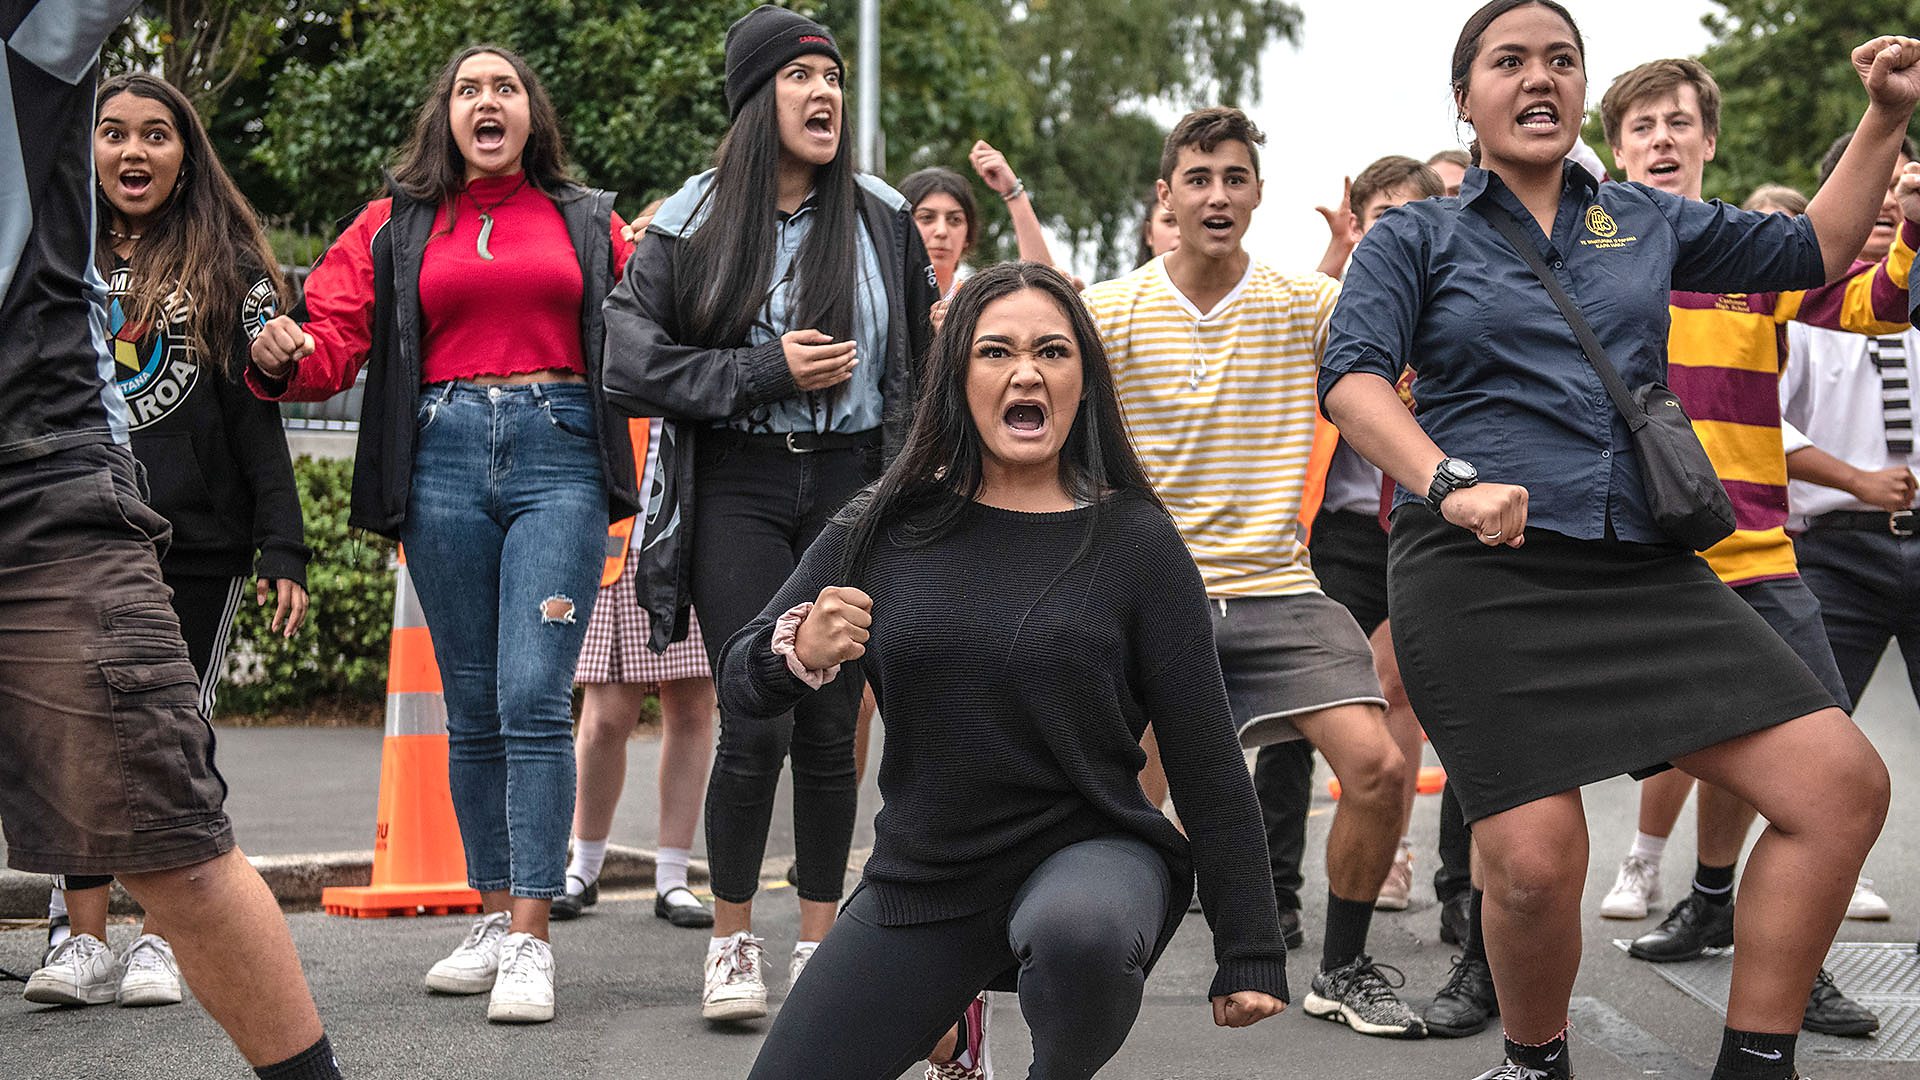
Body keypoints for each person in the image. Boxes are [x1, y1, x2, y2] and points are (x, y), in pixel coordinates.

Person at [1321, 1, 1917, 1075]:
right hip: (1478, 571)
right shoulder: (1417, 233)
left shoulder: (1646, 218)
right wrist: (1446, 480)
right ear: (1466, 97)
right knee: (1539, 863)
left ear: (1583, 92)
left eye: (1561, 60)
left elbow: (1820, 248)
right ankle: (1535, 1059)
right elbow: (1354, 379)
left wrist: (1882, 118)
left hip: (1643, 566)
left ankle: (1756, 1059)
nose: (1538, 78)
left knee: (1841, 788)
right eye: (1509, 61)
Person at [721, 261, 1286, 1078]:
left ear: (1084, 381)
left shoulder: (1136, 542)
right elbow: (741, 679)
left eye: (1053, 351)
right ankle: (949, 1023)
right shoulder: (884, 524)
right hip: (928, 873)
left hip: (1092, 857)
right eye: (997, 352)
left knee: (1078, 934)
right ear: (958, 378)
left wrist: (1250, 947)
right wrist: (796, 650)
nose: (1027, 371)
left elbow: (1203, 749)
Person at [248, 43, 641, 1025]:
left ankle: (532, 938)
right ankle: (494, 910)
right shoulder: (396, 224)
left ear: (530, 114)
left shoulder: (588, 220)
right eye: (469, 89)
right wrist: (279, 351)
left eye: (504, 86)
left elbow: (655, 327)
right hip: (442, 461)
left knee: (530, 698)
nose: (487, 100)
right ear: (447, 116)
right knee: (470, 707)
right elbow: (331, 339)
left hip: (560, 459)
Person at [0, 4, 341, 1077]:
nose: (132, 151)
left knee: (162, 809)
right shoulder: (95, 239)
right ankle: (79, 933)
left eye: (156, 134)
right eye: (117, 133)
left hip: (58, 489)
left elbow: (259, 412)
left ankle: (144, 940)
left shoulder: (220, 259)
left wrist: (281, 545)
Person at [599, 4, 936, 1024]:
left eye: (834, 76)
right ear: (755, 99)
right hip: (736, 486)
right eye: (802, 77)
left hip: (853, 485)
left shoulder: (881, 213)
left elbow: (920, 374)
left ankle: (823, 949)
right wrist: (759, 368)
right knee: (758, 714)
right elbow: (626, 361)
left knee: (834, 726)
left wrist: (919, 503)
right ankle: (733, 941)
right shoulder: (691, 217)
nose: (825, 92)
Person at [1084, 107, 1425, 1041]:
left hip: (1279, 589)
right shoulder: (1109, 312)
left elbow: (1399, 361)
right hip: (1156, 600)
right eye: (1198, 178)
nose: (1217, 194)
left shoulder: (1306, 304)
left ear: (1257, 194)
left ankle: (1344, 968)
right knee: (1120, 810)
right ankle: (1086, 962)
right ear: (1166, 196)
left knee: (1381, 768)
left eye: (1234, 178)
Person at [1595, 61, 1914, 1041]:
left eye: (1678, 122)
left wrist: (1905, 208)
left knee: (1828, 786)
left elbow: (1878, 307)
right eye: (1642, 124)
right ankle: (1500, 988)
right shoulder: (1576, 256)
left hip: (1758, 567)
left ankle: (1788, 978)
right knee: (1524, 797)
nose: (1660, 137)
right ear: (1616, 149)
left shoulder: (1754, 256)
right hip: (1617, 573)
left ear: (1707, 144)